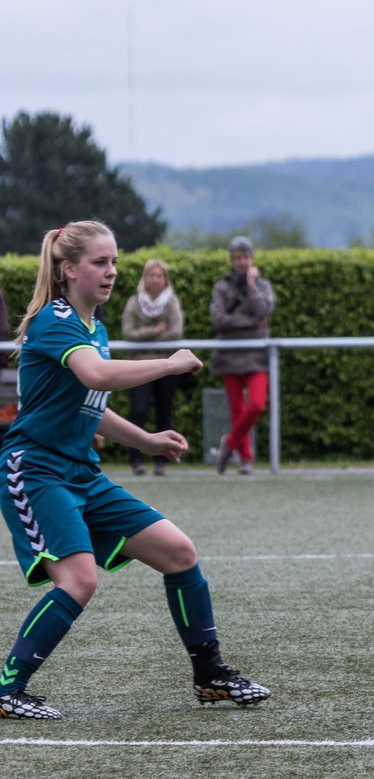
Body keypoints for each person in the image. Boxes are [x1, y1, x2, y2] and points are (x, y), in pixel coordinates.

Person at [0, 221, 269, 720]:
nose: (111, 272)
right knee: (79, 580)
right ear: (68, 269)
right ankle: (6, 687)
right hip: (34, 471)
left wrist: (145, 440)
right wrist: (168, 363)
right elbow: (98, 376)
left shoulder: (93, 328)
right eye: (100, 263)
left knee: (179, 553)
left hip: (80, 472)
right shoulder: (53, 320)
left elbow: (90, 402)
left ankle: (209, 675)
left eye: (115, 262)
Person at [209, 236, 274, 475]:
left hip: (256, 355)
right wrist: (250, 323)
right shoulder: (222, 287)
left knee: (256, 405)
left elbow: (264, 310)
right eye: (237, 257)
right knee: (236, 409)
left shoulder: (262, 286)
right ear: (231, 260)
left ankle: (230, 443)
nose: (242, 261)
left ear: (252, 259)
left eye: (246, 256)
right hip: (229, 355)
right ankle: (246, 459)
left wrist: (251, 285)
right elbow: (218, 320)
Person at [122, 259, 185, 476]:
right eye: (151, 275)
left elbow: (176, 332)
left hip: (167, 367)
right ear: (145, 278)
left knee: (164, 413)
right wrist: (156, 331)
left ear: (165, 279)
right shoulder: (134, 302)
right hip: (139, 367)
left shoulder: (172, 302)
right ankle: (136, 459)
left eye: (159, 276)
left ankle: (161, 460)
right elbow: (128, 333)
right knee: (138, 411)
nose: (155, 279)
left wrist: (145, 335)